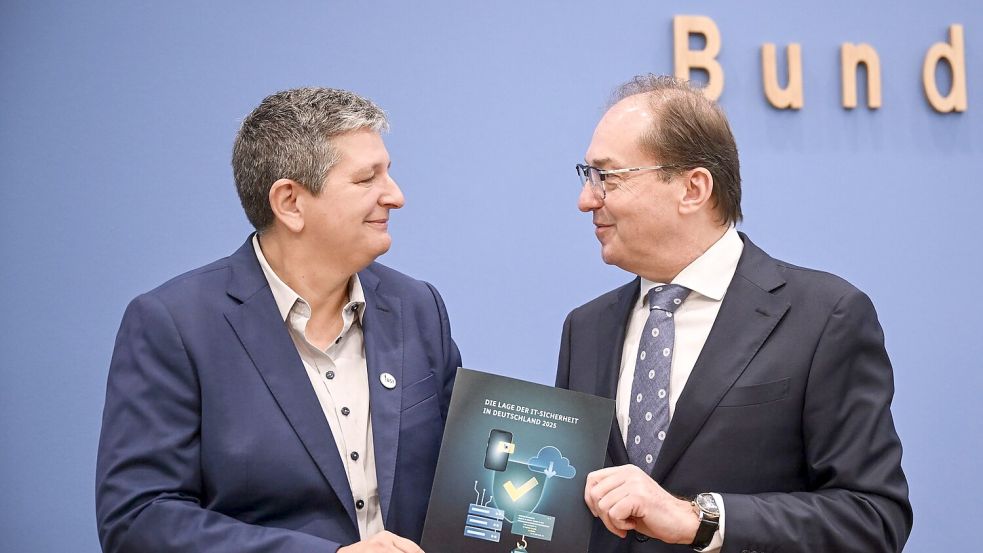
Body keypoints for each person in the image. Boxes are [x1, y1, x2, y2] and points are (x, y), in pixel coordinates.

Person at [555, 75, 912, 552]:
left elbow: (873, 519)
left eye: (609, 177)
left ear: (692, 188)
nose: (587, 199)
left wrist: (700, 519)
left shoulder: (825, 318)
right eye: (588, 176)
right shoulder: (586, 328)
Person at [96, 88, 461, 553]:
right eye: (367, 179)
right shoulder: (175, 325)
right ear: (290, 202)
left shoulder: (417, 307)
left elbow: (466, 477)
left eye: (387, 173)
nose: (396, 195)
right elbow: (138, 519)